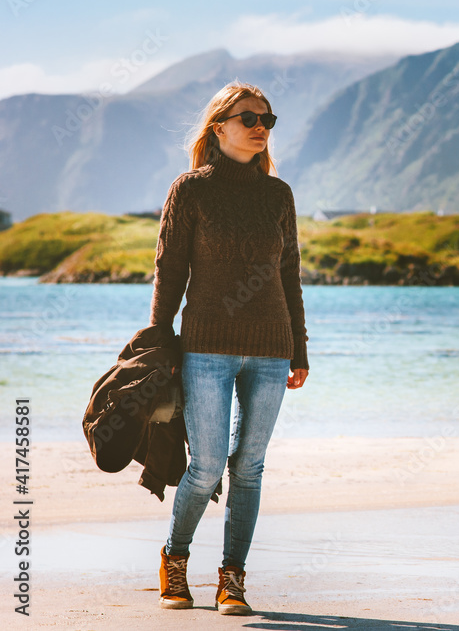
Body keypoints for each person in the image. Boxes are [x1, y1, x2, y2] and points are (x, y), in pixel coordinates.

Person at [148, 80, 309, 615]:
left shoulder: (278, 194)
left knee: (251, 466)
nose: (261, 127)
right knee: (208, 464)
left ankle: (231, 579)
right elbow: (169, 272)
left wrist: (300, 348)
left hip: (271, 348)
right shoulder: (190, 190)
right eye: (249, 119)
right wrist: (157, 341)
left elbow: (290, 275)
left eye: (268, 120)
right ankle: (175, 559)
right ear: (219, 127)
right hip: (206, 348)